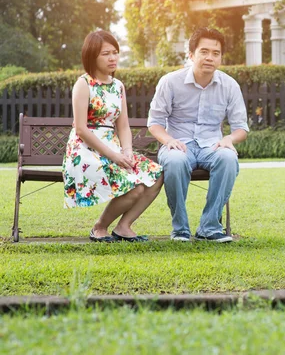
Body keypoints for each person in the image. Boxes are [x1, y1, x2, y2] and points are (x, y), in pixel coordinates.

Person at [148, 27, 249, 243]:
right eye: (204, 52)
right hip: (178, 144)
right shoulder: (170, 82)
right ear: (191, 54)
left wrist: (229, 139)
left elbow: (241, 128)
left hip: (211, 146)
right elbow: (155, 123)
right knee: (175, 161)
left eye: (216, 53)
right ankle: (180, 229)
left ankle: (210, 227)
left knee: (228, 158)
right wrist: (168, 141)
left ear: (221, 57)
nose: (210, 58)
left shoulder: (230, 86)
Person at [62, 30, 163, 242]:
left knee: (156, 175)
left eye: (115, 52)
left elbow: (123, 126)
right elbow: (81, 129)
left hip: (114, 147)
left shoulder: (118, 86)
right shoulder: (83, 84)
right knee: (135, 189)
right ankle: (99, 227)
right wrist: (115, 156)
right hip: (86, 149)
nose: (112, 58)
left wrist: (127, 152)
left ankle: (124, 227)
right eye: (105, 53)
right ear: (92, 56)